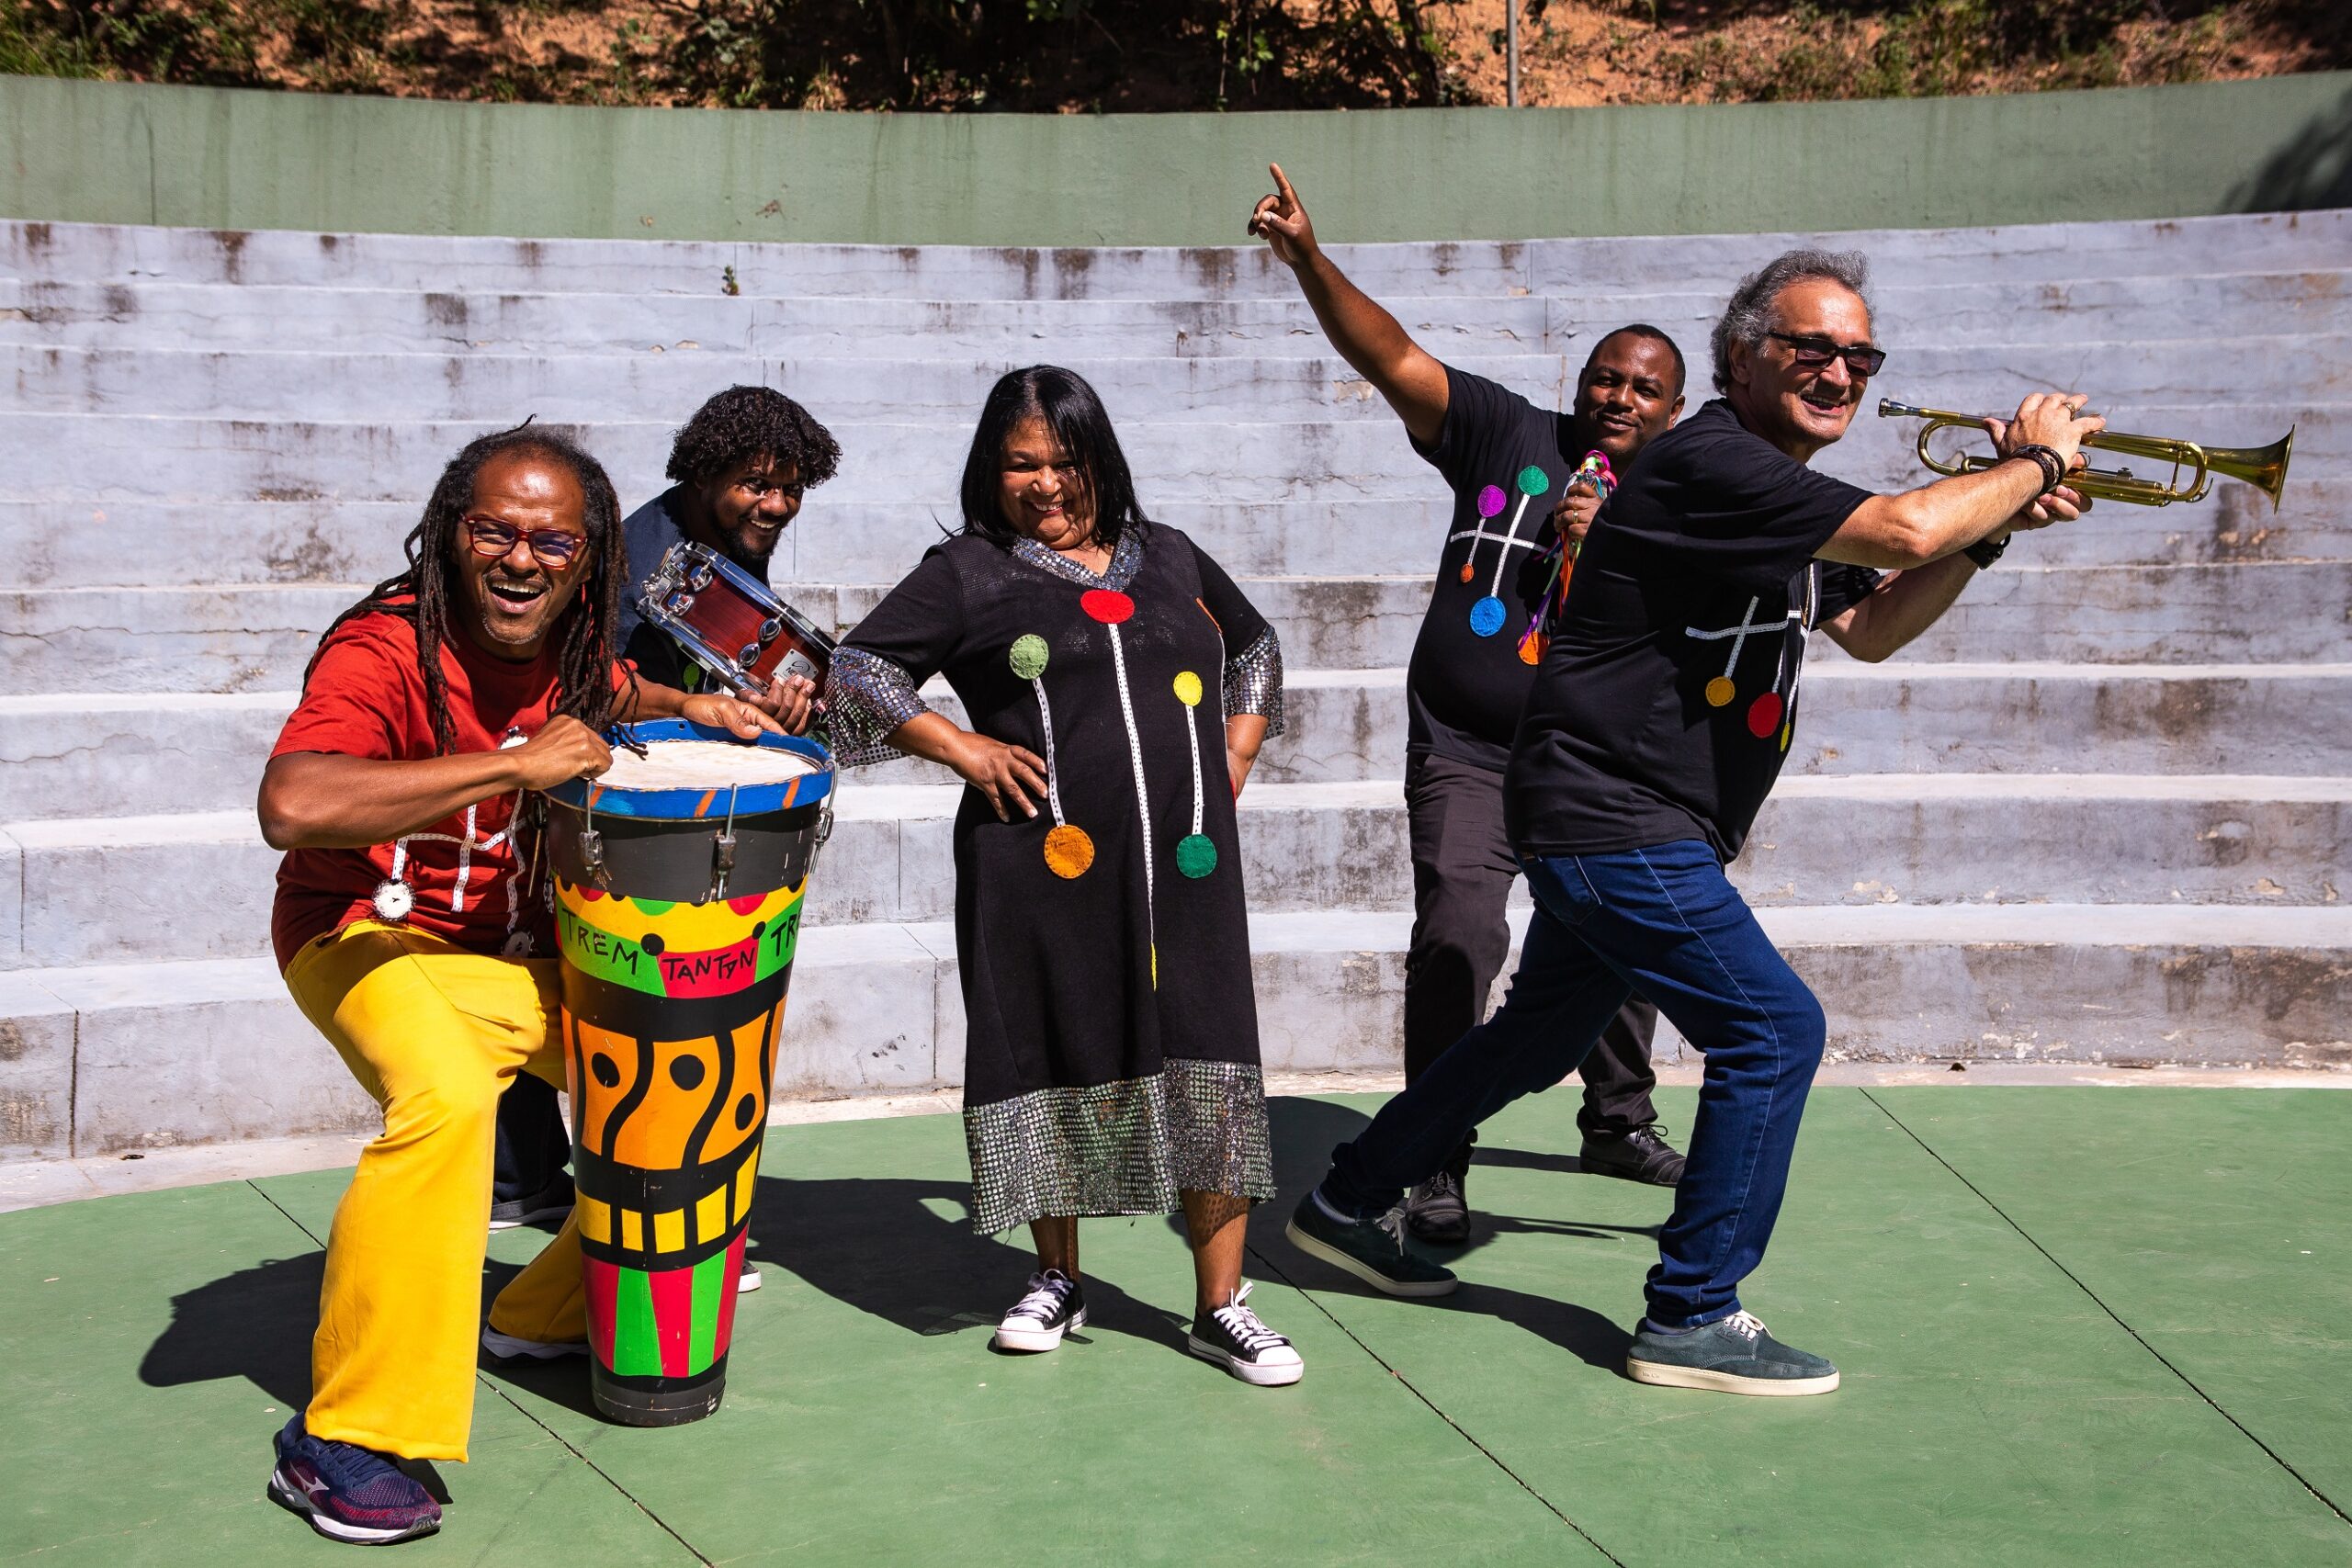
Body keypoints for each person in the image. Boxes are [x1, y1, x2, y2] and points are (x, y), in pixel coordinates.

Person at [1284, 250, 2098, 1396]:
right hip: (1614, 817)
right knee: (1774, 1032)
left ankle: (1350, 1195)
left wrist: (1996, 526)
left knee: (1535, 1038)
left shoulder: (1769, 490)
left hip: (1629, 816)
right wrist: (2027, 462)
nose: (1838, 372)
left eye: (1858, 357)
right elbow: (1911, 529)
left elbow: (1871, 627)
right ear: (1739, 359)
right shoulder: (1711, 460)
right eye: (1808, 348)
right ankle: (1690, 1311)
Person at [257, 424, 784, 1544]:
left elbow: (618, 686)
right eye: (495, 529)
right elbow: (292, 805)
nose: (521, 558)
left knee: (687, 1059)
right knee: (447, 1094)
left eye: (554, 540)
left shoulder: (578, 646)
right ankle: (343, 1434)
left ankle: (538, 1312)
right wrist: (516, 764)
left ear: (590, 558)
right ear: (453, 533)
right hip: (358, 939)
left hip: (498, 959)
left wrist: (694, 710)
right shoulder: (385, 644)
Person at [827, 366, 1301, 1386]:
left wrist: (1235, 754)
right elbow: (858, 670)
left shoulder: (1168, 554)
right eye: (1020, 463)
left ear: (1101, 459)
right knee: (1046, 1043)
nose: (1043, 483)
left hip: (1186, 869)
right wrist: (958, 746)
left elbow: (1253, 645)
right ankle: (1056, 1276)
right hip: (1038, 867)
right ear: (990, 471)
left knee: (1210, 1059)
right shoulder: (967, 571)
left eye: (1064, 460)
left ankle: (1222, 1303)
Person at [1249, 163, 1688, 1244]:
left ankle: (1616, 1119)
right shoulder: (1506, 436)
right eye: (1602, 379)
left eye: (1641, 389)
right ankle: (1435, 1154)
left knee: (1616, 933)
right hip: (1470, 750)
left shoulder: (1685, 502)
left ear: (1673, 414)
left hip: (1596, 764)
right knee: (1456, 935)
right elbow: (1390, 354)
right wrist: (1309, 257)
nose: (1615, 399)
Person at [616, 382, 840, 724]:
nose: (778, 507)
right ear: (705, 473)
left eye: (792, 489)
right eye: (756, 484)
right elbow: (631, 708)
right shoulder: (638, 579)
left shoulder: (733, 526)